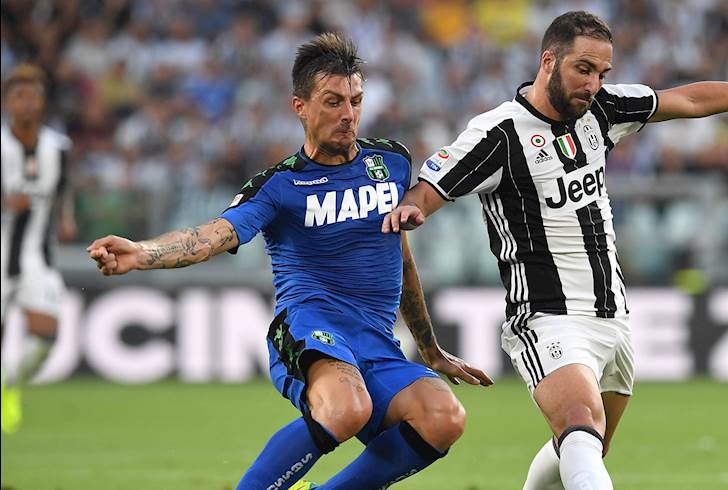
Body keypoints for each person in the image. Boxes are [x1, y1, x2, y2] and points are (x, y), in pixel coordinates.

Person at [382, 11, 728, 489]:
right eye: (583, 69)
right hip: (546, 315)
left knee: (586, 443)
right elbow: (427, 190)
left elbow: (689, 98)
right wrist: (412, 210)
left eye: (602, 73)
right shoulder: (498, 134)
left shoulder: (602, 110)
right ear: (549, 61)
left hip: (613, 316)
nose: (594, 83)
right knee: (580, 424)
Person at [87, 32, 492, 490]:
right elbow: (216, 235)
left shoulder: (392, 162)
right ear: (299, 107)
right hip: (310, 328)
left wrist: (431, 348)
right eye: (333, 101)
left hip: (375, 342)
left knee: (444, 416)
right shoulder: (279, 185)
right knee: (346, 407)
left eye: (355, 101)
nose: (348, 114)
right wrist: (143, 253)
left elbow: (401, 260)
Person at [1, 64, 77, 434]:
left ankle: (8, 385)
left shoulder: (58, 148)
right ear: (7, 102)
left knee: (48, 337)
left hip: (36, 256)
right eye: (20, 95)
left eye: (33, 96)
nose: (27, 103)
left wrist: (66, 217)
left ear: (43, 102)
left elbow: (64, 189)